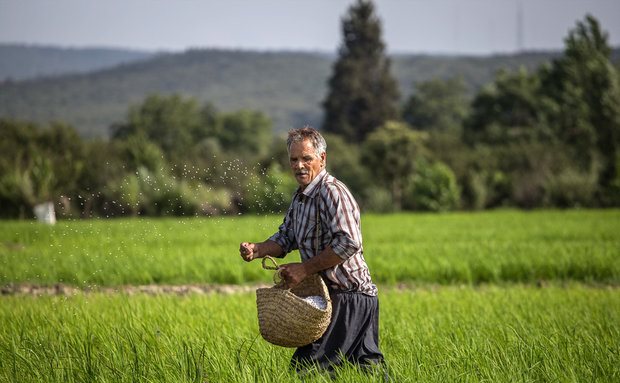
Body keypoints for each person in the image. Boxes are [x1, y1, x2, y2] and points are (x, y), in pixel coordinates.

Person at [239, 126, 385, 376]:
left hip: (350, 296)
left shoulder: (332, 192)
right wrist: (259, 249)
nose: (299, 165)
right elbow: (286, 238)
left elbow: (349, 242)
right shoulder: (300, 197)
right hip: (335, 298)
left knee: (307, 368)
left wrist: (304, 269)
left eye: (306, 158)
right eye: (294, 160)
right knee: (365, 370)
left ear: (322, 158)